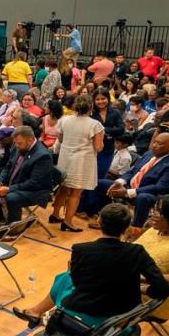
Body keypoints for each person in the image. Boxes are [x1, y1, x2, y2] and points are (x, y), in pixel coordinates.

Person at [12, 203, 169, 329]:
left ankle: (45, 314)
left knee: (66, 278)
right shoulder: (137, 251)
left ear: (99, 221)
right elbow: (163, 289)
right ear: (127, 227)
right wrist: (142, 289)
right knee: (65, 277)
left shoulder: (81, 249)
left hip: (86, 315)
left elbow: (78, 284)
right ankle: (39, 312)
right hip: (122, 318)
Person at [89, 132, 169, 235]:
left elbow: (160, 187)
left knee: (143, 198)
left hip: (153, 194)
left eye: (159, 143)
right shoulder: (148, 154)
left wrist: (128, 192)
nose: (154, 145)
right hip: (131, 187)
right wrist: (119, 182)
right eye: (154, 142)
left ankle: (135, 229)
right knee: (100, 183)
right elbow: (132, 171)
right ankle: (106, 218)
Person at [0, 126, 54, 228]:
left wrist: (9, 189)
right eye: (15, 143)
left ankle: (12, 229)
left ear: (30, 140)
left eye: (19, 143)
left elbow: (34, 183)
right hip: (17, 182)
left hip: (36, 191)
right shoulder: (19, 146)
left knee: (12, 197)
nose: (16, 146)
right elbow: (8, 167)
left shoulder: (43, 156)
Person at [51, 94, 104, 232]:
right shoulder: (95, 124)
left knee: (63, 187)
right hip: (82, 160)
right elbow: (98, 147)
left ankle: (55, 215)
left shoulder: (64, 120)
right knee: (76, 192)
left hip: (65, 157)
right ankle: (68, 222)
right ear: (90, 107)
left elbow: (61, 140)